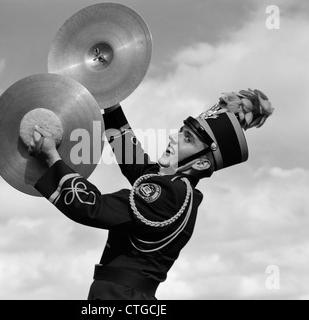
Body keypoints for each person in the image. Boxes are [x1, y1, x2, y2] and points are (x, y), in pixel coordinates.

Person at [29, 88, 274, 300]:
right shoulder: (178, 191)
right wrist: (111, 103)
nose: (173, 137)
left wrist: (52, 158)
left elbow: (92, 209)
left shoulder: (169, 194)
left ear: (200, 164)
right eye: (181, 131)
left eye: (187, 138)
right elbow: (136, 163)